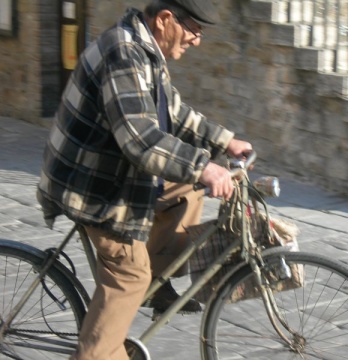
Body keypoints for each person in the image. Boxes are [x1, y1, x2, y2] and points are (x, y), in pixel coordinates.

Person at [36, 0, 253, 358]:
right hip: (91, 185)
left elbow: (173, 112)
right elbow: (139, 139)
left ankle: (155, 281)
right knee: (129, 276)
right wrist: (204, 166)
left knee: (189, 190)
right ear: (165, 19)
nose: (197, 40)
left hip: (112, 170)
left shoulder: (145, 49)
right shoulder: (123, 53)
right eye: (194, 30)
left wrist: (224, 141)